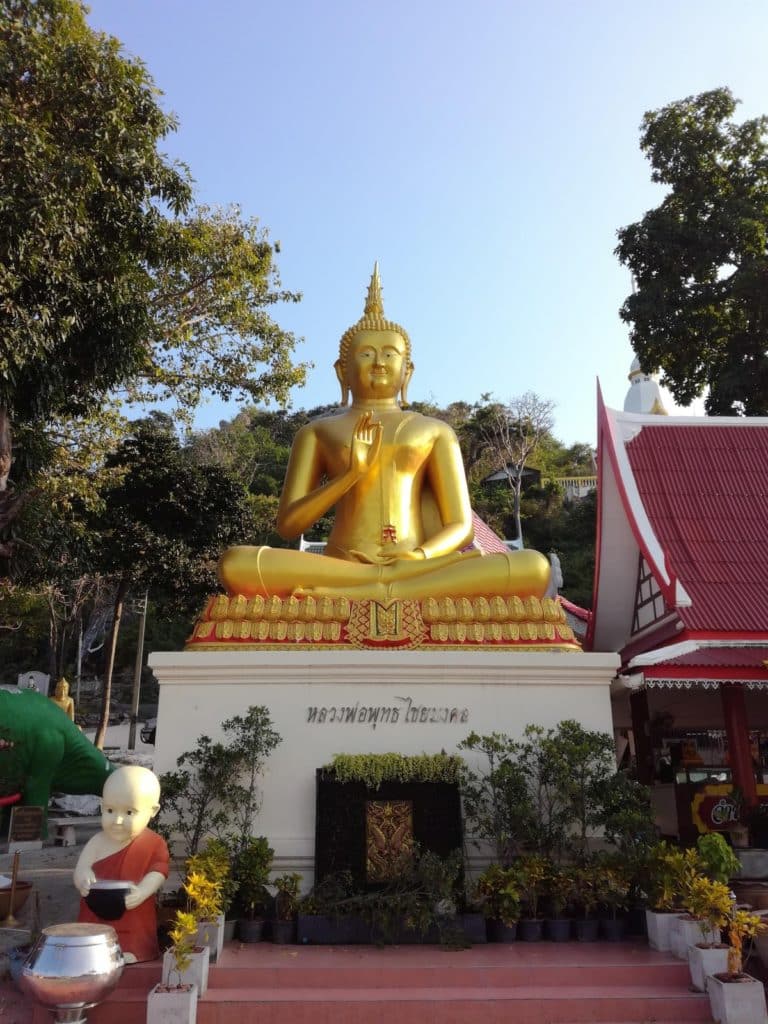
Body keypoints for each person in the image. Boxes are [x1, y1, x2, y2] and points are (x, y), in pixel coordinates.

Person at [218, 266, 550, 603]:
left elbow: (460, 527)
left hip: (416, 563)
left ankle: (385, 584)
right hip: (341, 565)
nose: (379, 363)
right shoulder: (317, 432)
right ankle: (386, 584)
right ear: (341, 371)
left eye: (390, 354)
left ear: (408, 371)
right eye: (365, 354)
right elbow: (288, 525)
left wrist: (418, 557)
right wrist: (350, 476)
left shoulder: (435, 431)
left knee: (533, 566)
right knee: (236, 563)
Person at [74, 765, 169, 963]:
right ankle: (89, 948)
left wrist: (143, 891)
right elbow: (82, 867)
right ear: (101, 806)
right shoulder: (97, 841)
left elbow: (158, 871)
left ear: (153, 811)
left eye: (129, 812)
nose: (117, 820)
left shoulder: (153, 843)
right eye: (109, 810)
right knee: (91, 930)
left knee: (134, 925)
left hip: (132, 902)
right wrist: (82, 879)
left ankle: (134, 949)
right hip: (95, 902)